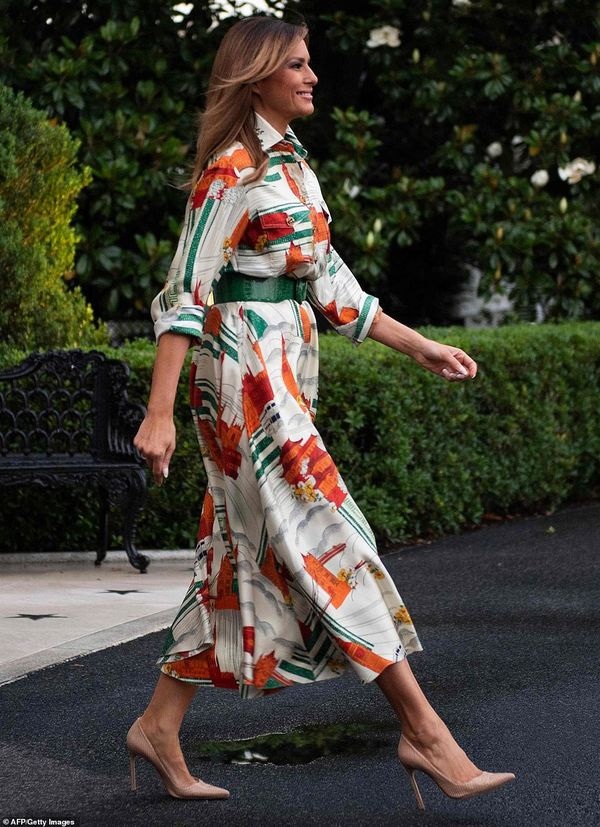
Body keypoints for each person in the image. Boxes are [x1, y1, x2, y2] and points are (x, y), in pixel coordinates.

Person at [129, 14, 515, 811]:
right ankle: (425, 731)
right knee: (331, 536)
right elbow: (184, 297)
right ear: (257, 75)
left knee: (236, 555)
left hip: (284, 379)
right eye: (297, 64)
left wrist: (420, 346)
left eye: (310, 63)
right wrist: (158, 413)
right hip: (241, 383)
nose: (312, 76)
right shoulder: (230, 171)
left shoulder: (296, 168)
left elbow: (334, 286)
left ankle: (158, 726)